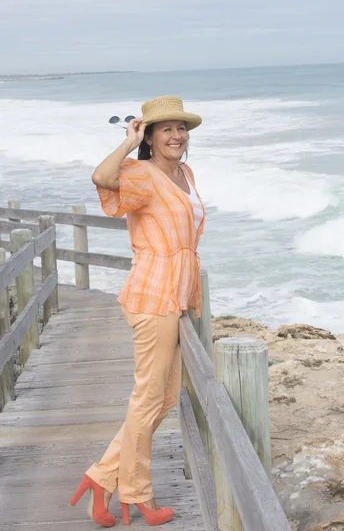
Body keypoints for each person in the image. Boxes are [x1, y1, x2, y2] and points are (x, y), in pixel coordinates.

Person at [69, 96, 205, 527]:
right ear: (148, 135)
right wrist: (128, 144)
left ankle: (101, 477)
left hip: (177, 294)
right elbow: (101, 177)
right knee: (148, 398)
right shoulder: (141, 174)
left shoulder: (185, 172)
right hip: (152, 294)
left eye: (180, 128)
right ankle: (138, 496)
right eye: (165, 129)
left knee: (162, 397)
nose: (176, 136)